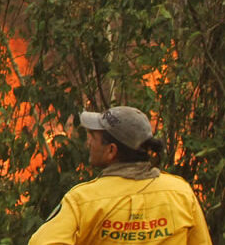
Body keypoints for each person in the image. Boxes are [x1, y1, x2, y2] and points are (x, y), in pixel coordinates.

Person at [29, 105, 212, 245]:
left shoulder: (82, 200)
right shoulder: (181, 193)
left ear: (111, 150)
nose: (89, 142)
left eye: (94, 136)